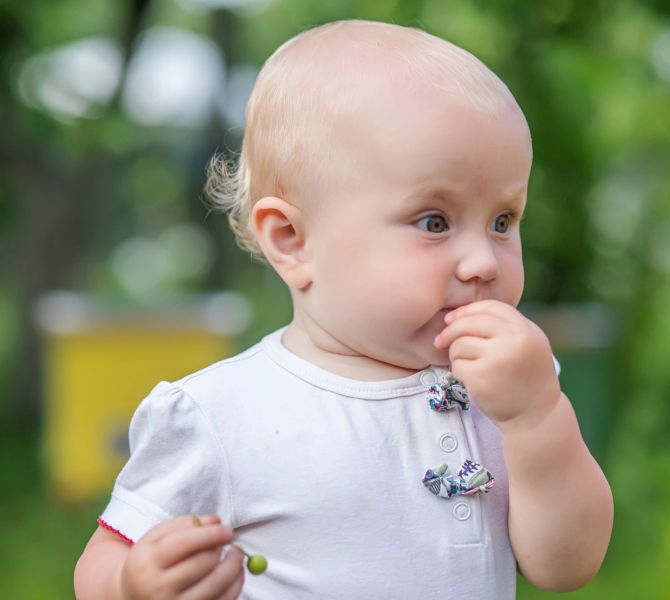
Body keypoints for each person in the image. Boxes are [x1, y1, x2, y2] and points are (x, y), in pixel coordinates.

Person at [74, 19, 613, 599]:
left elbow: (567, 567)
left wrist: (536, 419)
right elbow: (101, 565)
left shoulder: (511, 389)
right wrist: (131, 586)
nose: (483, 260)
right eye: (434, 222)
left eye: (503, 221)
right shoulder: (222, 415)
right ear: (293, 241)